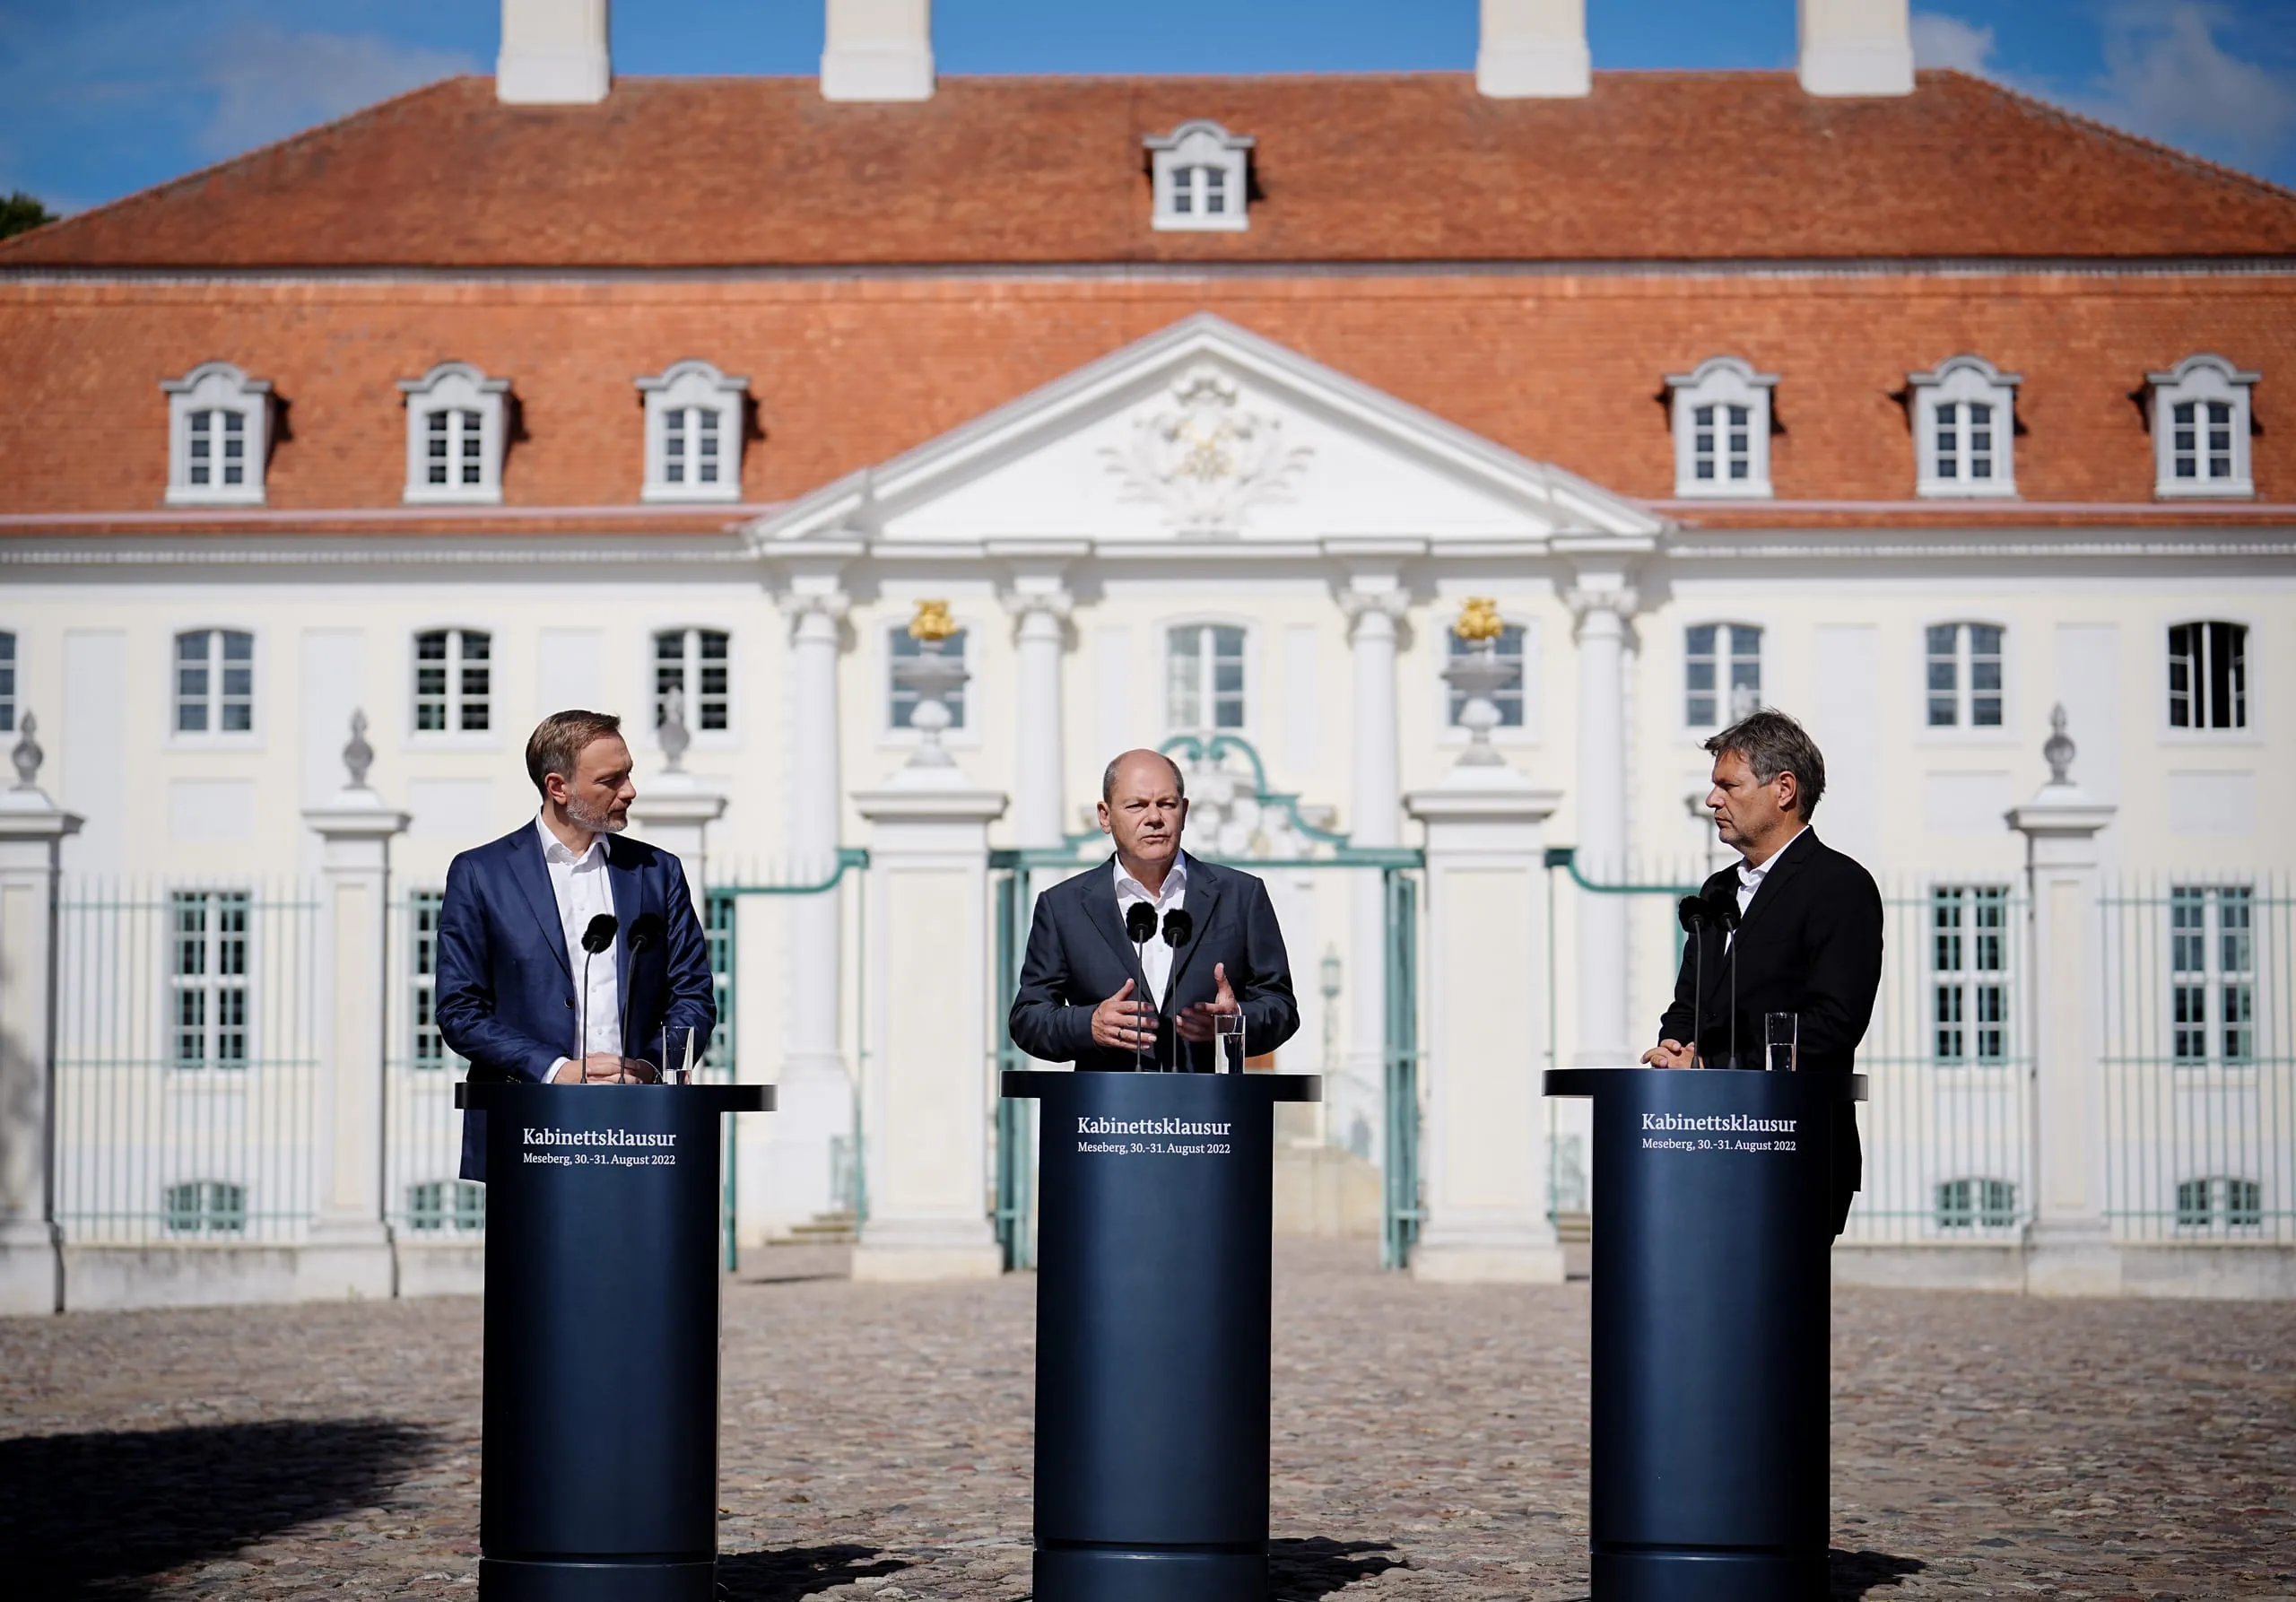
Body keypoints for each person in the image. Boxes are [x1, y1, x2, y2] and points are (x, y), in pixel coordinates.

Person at [438, 710, 717, 1181]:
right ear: (558, 787)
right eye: (611, 779)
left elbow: (693, 996)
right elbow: (460, 1011)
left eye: (629, 773)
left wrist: (647, 1066)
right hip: (527, 1125)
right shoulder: (480, 874)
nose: (629, 790)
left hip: (642, 1128)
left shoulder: (658, 871)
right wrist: (553, 1069)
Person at [1642, 709, 1883, 1235]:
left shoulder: (1839, 886)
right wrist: (1672, 1048)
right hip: (1702, 1141)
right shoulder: (1717, 891)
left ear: (1784, 789)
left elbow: (1833, 1026)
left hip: (1791, 1147)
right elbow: (1690, 1004)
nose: (1713, 800)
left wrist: (1713, 1067)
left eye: (1729, 785)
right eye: (1713, 787)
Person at [1009, 748, 1300, 1073]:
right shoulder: (1063, 906)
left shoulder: (1241, 895)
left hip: (1210, 1114)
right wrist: (1089, 1024)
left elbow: (1282, 1007)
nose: (1154, 818)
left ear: (1184, 811)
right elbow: (1028, 1018)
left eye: (1167, 804)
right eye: (1136, 805)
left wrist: (1234, 1024)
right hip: (1108, 1115)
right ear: (1105, 816)